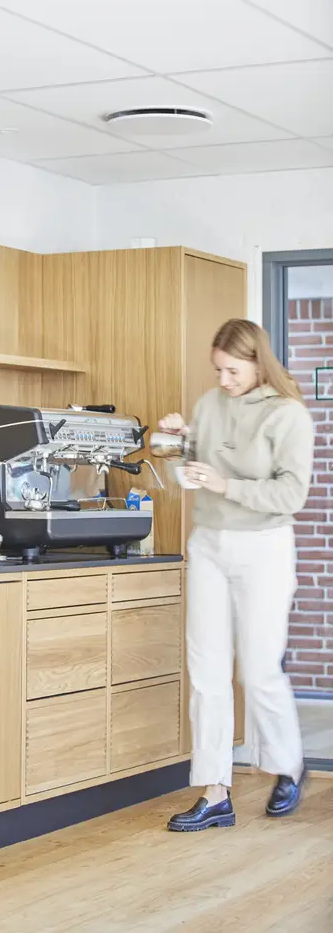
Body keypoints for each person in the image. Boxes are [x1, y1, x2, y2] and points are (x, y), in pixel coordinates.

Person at [160, 318, 314, 833]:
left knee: (258, 669)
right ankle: (214, 791)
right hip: (208, 544)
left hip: (264, 548)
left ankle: (288, 765)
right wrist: (180, 440)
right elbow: (197, 463)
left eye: (231, 371)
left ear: (256, 362)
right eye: (218, 370)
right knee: (205, 670)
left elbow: (291, 496)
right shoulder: (210, 404)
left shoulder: (288, 415)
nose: (223, 380)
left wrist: (227, 485)